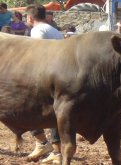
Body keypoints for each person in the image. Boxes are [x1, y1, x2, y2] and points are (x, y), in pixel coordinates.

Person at [25, 4, 63, 164]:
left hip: (44, 77)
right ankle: (57, 152)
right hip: (58, 75)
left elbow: (38, 54)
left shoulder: (37, 31)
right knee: (55, 114)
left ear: (30, 18)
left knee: (26, 108)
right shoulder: (54, 30)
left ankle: (41, 143)